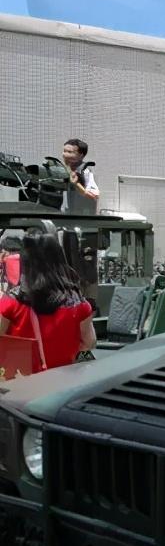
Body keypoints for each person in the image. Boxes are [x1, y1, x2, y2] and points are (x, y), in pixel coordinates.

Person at [0, 232, 96, 372]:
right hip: (66, 381)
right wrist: (76, 367)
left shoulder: (11, 302)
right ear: (61, 261)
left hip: (23, 380)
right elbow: (90, 343)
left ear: (26, 264)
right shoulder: (79, 303)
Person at [62, 138, 99, 215]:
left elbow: (94, 195)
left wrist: (76, 184)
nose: (65, 155)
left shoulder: (85, 171)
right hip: (65, 214)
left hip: (81, 216)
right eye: (64, 151)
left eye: (69, 152)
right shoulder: (64, 170)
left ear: (81, 155)